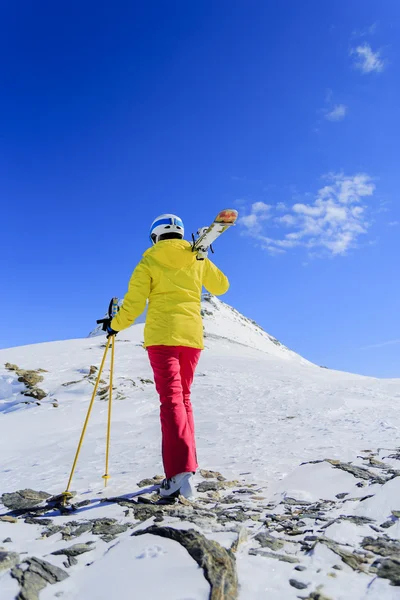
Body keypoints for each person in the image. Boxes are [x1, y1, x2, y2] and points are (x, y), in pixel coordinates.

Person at [103, 214, 229, 498]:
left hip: (162, 338)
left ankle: (179, 473)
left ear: (155, 236)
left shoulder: (148, 261)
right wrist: (204, 257)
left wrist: (114, 325)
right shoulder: (197, 258)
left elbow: (133, 305)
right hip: (192, 338)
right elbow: (221, 287)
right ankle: (188, 466)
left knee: (171, 401)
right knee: (183, 399)